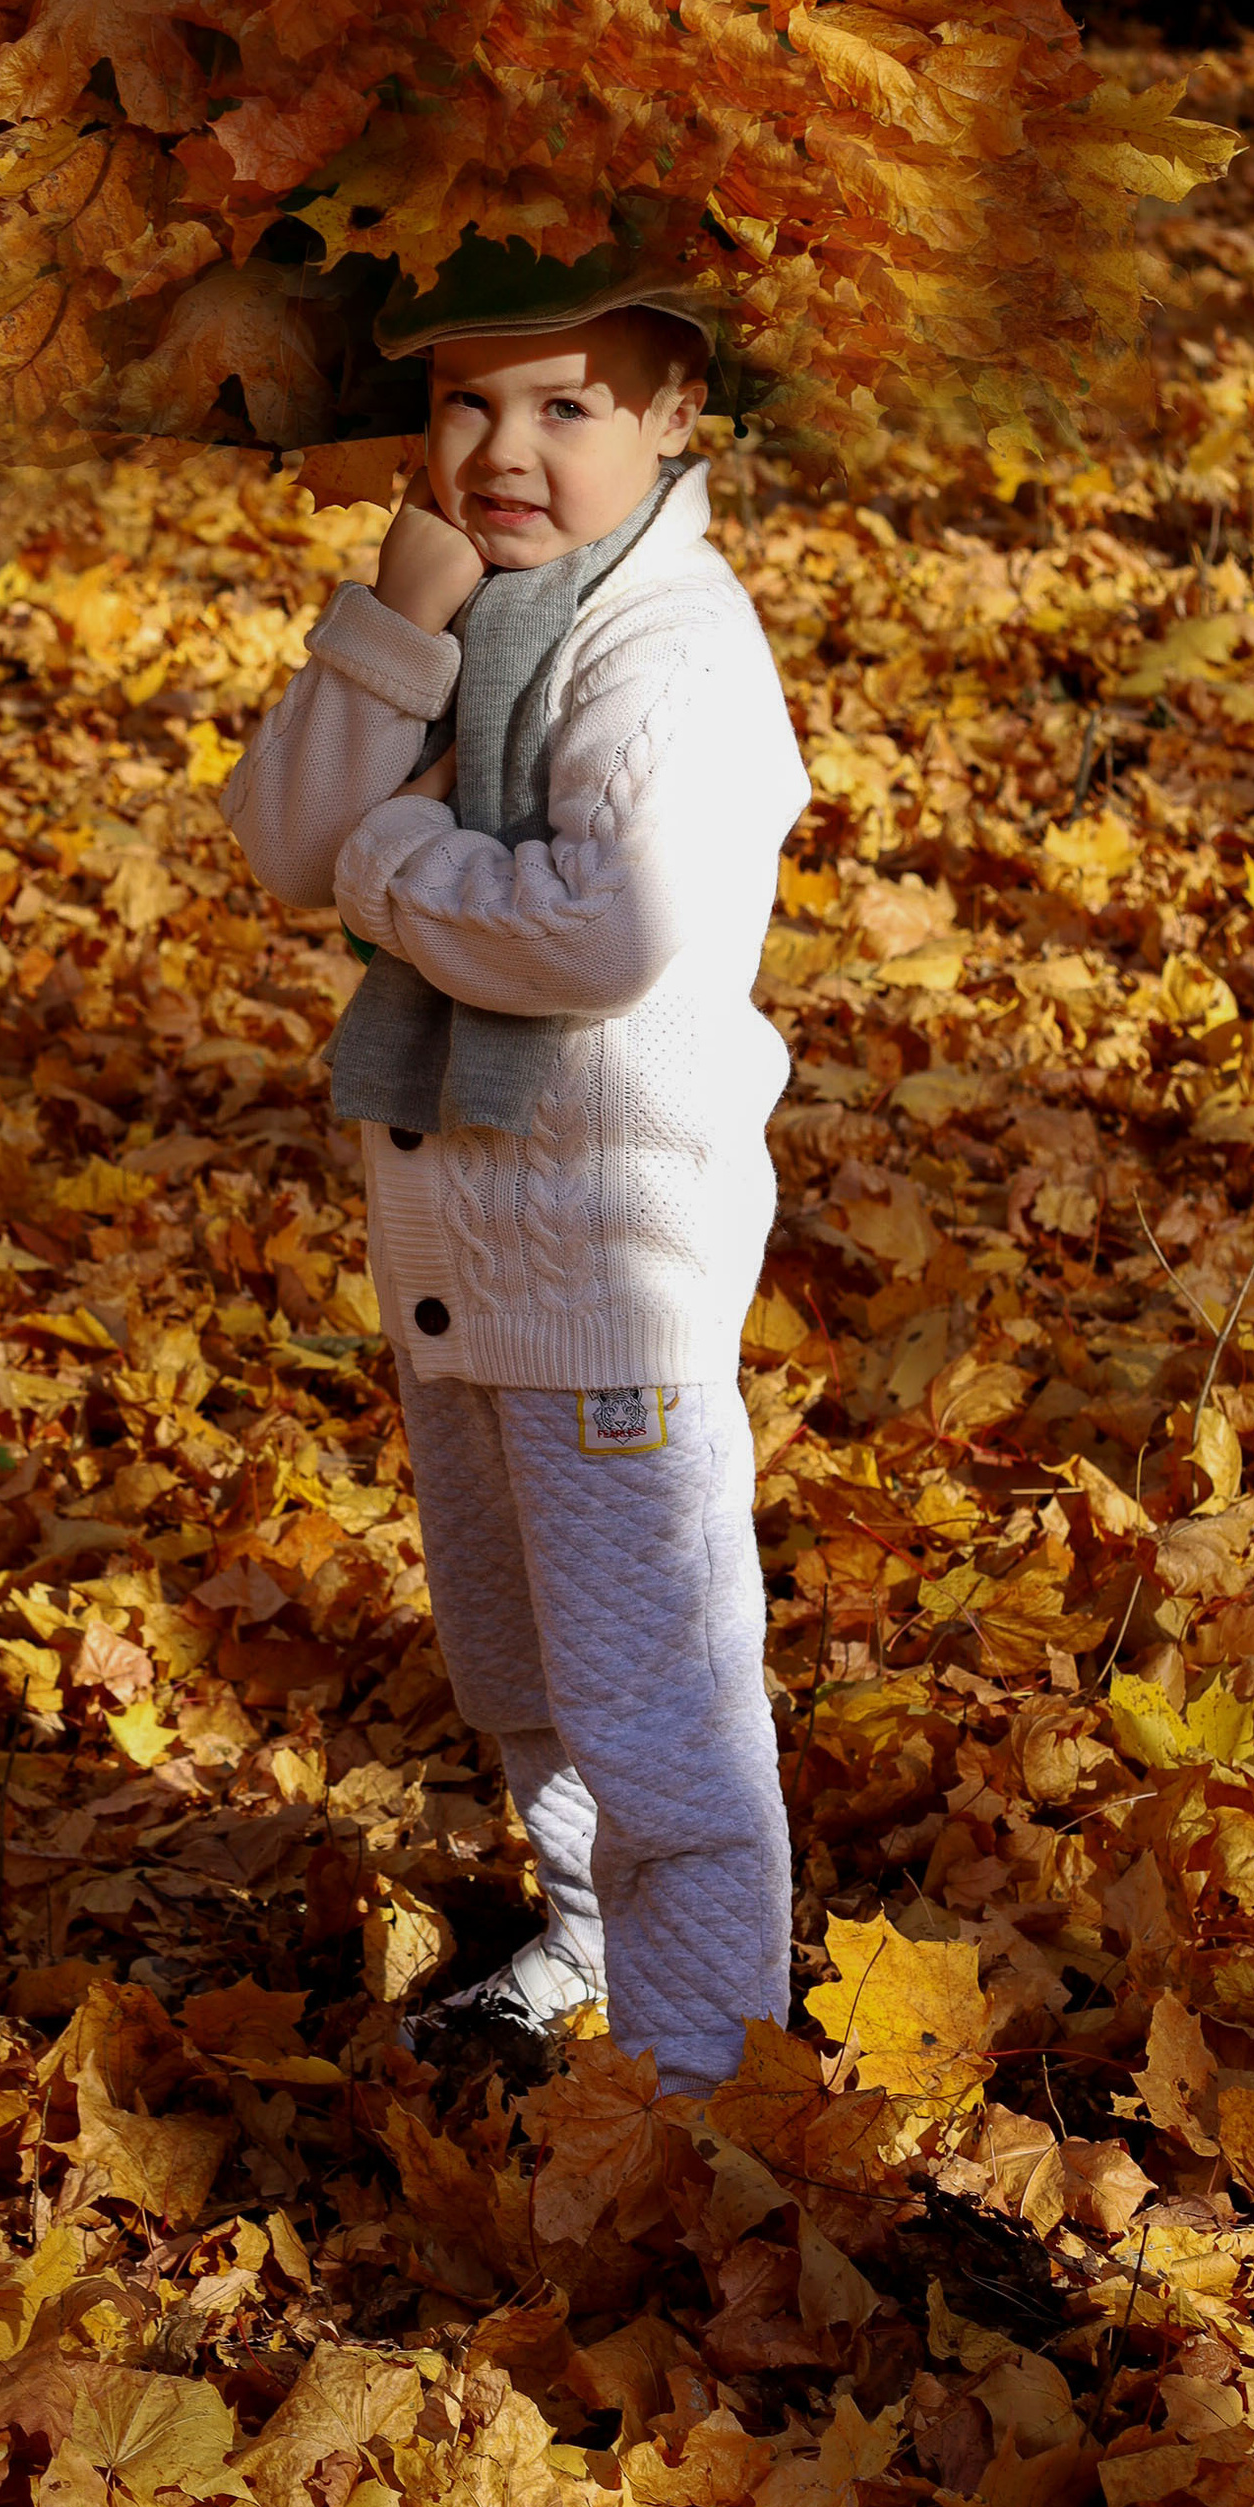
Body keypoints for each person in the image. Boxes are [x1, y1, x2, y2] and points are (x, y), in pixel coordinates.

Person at [217, 246, 812, 2099]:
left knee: (656, 1701)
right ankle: (579, 1947)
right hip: (469, 1242)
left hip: (606, 1246)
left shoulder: (670, 645)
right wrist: (388, 630)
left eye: (565, 404)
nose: (506, 447)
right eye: (466, 401)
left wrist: (392, 865)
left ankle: (713, 2094)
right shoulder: (473, 606)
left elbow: (608, 929)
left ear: (673, 417)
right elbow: (280, 833)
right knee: (523, 1660)